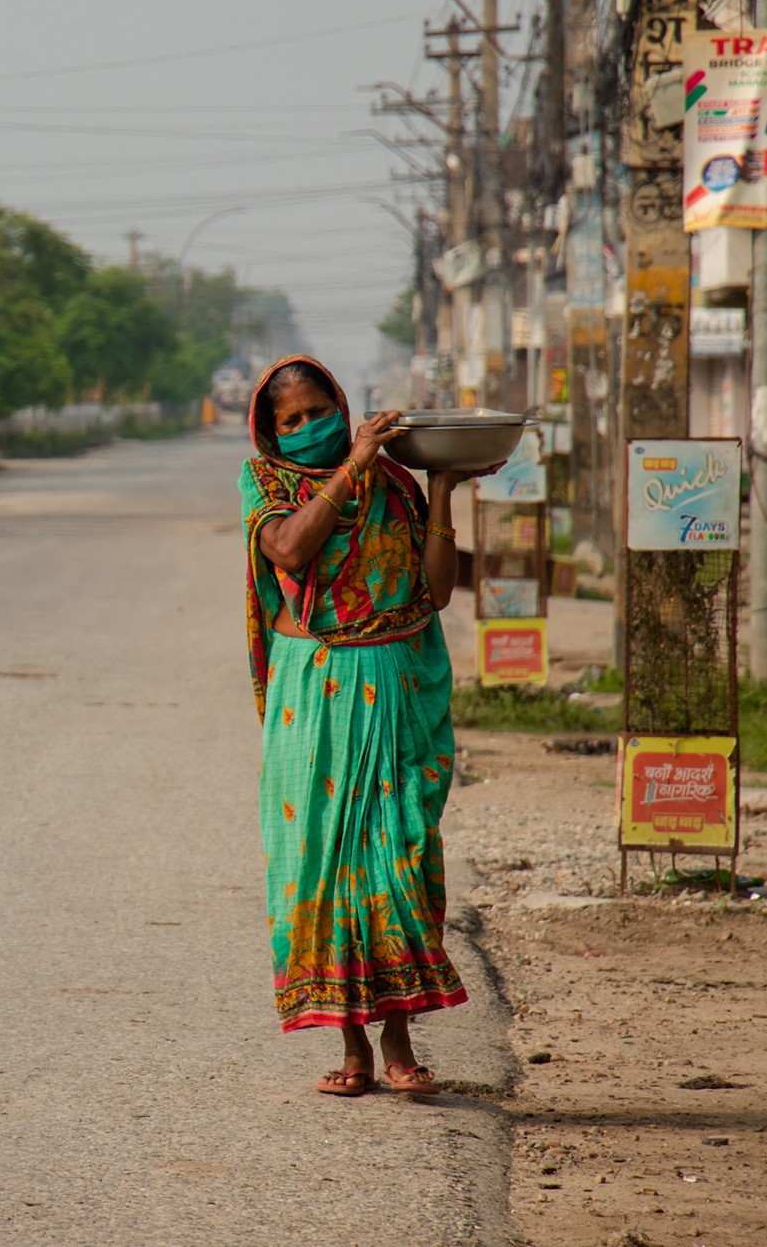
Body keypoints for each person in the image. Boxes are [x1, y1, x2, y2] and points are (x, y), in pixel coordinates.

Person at [237, 356, 495, 1098]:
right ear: (269, 431)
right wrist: (350, 465)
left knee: (402, 852)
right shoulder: (267, 485)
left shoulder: (394, 484)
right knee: (321, 859)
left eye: (318, 410)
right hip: (313, 690)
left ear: (342, 405)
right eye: (290, 420)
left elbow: (436, 590)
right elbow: (289, 548)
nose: (307, 426)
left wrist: (441, 487)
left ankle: (400, 1040)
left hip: (394, 682)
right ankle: (352, 1047)